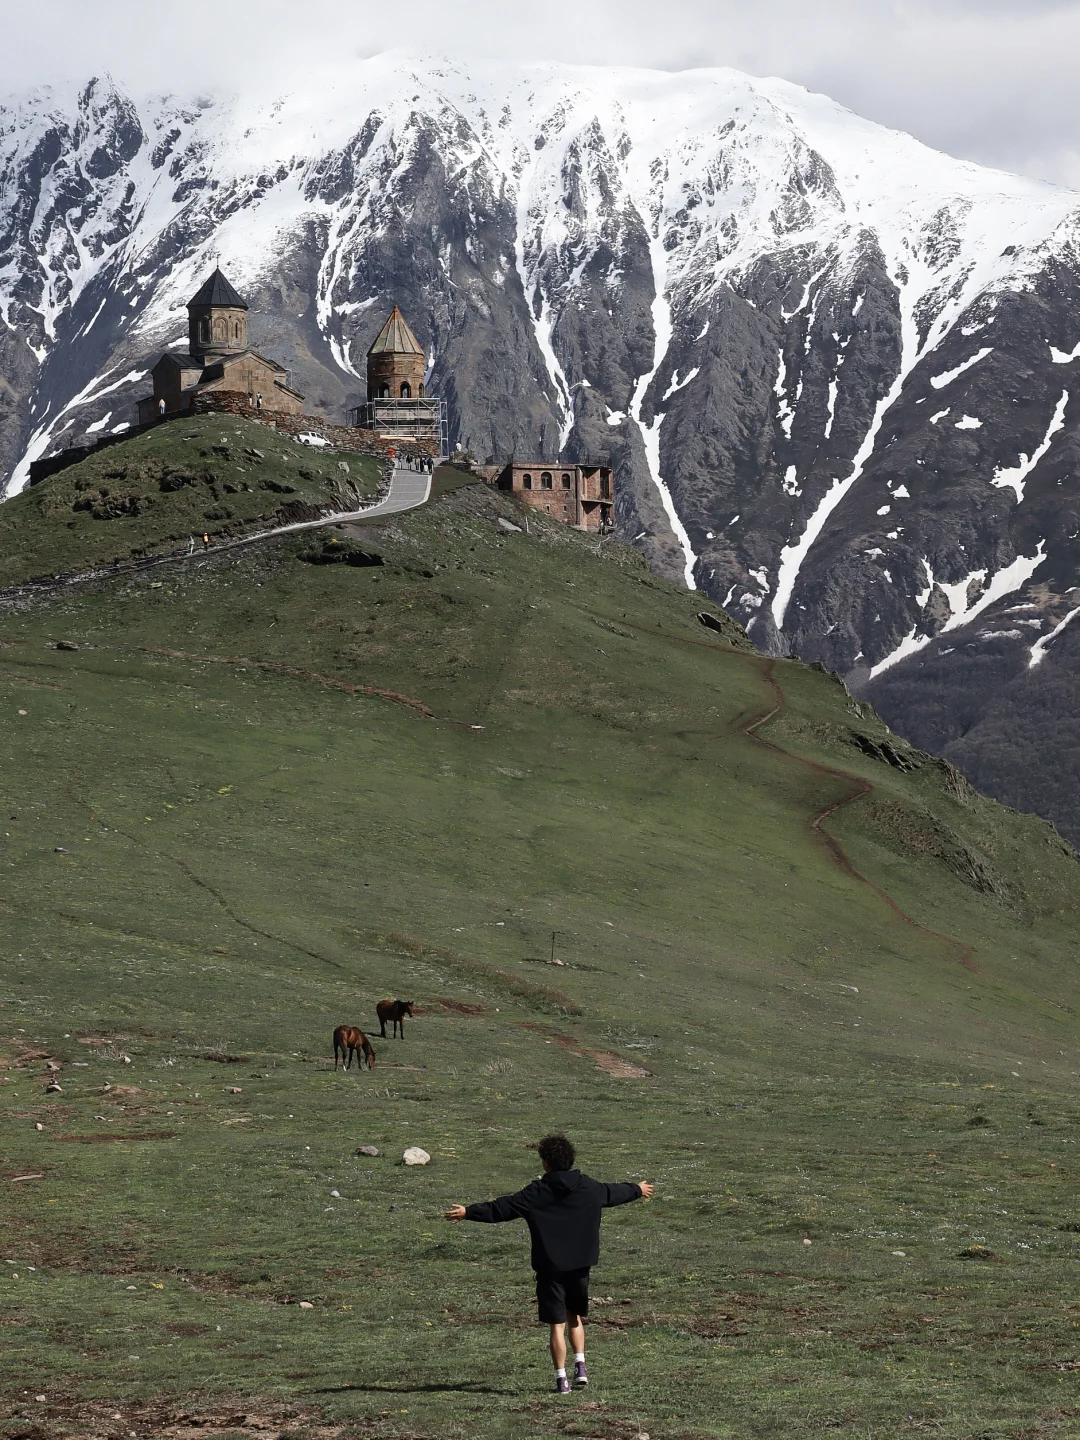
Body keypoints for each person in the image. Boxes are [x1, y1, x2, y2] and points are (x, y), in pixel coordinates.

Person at [444, 1134, 653, 1394]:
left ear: (546, 1163)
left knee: (557, 1325)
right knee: (574, 1316)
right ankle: (581, 1367)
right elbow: (614, 1192)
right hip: (580, 1266)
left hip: (550, 1269)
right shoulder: (589, 1187)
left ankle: (561, 1380)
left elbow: (502, 1208)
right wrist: (638, 1189)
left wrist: (468, 1212)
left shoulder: (537, 1192)